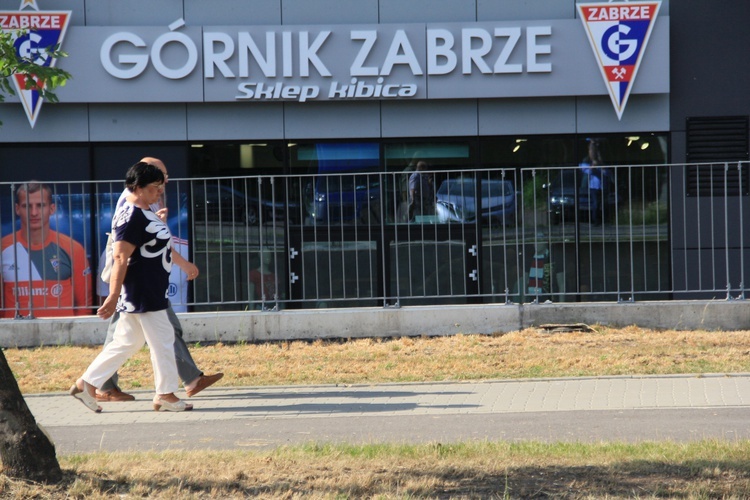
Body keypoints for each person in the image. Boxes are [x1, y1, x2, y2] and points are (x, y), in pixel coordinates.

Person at [96, 157, 223, 402]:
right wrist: (114, 295)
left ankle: (181, 383)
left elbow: (151, 240)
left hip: (145, 283)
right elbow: (128, 251)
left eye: (164, 177)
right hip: (139, 283)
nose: (164, 182)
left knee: (137, 337)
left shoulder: (145, 200)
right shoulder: (133, 204)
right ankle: (165, 390)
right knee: (139, 338)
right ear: (141, 182)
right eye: (159, 177)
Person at [70, 162, 191, 413]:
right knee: (163, 340)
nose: (159, 192)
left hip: (147, 289)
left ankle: (87, 383)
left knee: (126, 342)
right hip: (143, 291)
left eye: (161, 187)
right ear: (136, 187)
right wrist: (113, 295)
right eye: (154, 188)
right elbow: (120, 258)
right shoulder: (132, 216)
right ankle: (166, 394)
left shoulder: (144, 212)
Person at [0, 182, 93, 318]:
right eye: (27, 206)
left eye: (40, 205)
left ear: (52, 208)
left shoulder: (73, 248)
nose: (34, 212)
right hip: (15, 337)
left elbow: (85, 304)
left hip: (63, 338)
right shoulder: (3, 248)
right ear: (17, 209)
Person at [579, 138, 610, 226]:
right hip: (594, 186)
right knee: (595, 203)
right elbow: (586, 170)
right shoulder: (586, 161)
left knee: (603, 204)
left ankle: (604, 220)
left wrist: (601, 164)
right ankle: (596, 221)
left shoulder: (601, 161)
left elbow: (606, 172)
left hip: (602, 186)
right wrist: (593, 165)